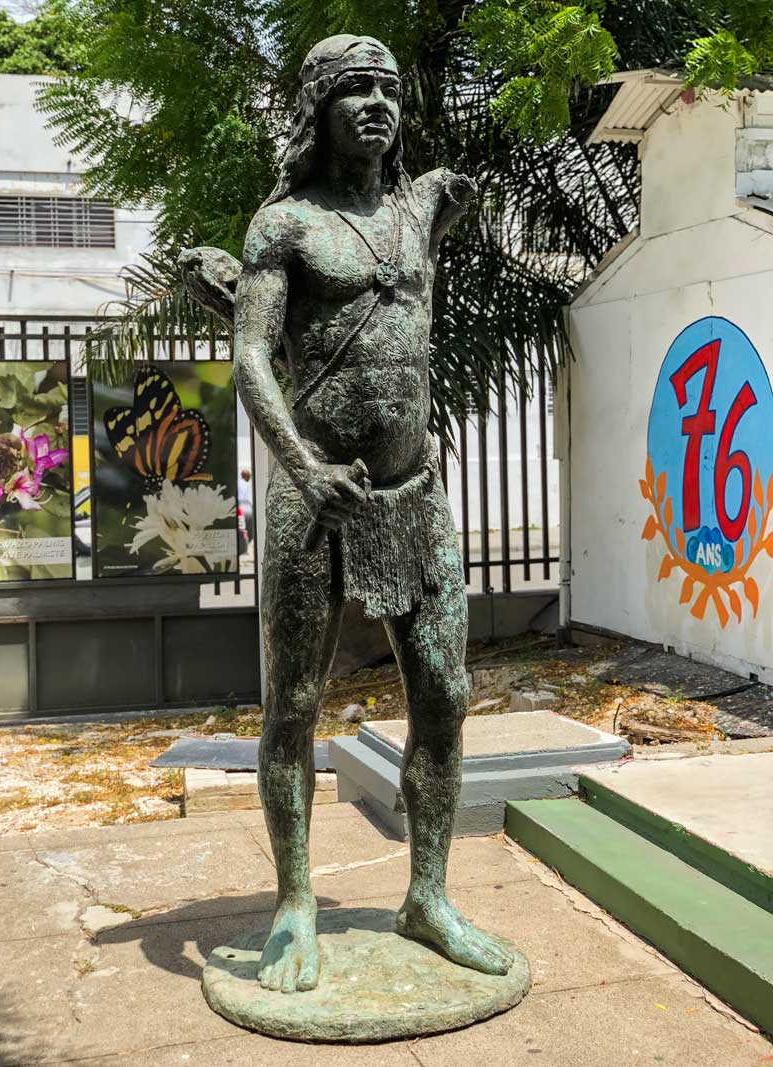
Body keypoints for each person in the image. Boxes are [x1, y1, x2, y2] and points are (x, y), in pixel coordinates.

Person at [234, 34, 513, 994]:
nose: (375, 105)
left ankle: (426, 896)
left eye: (388, 91)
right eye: (352, 90)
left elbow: (455, 189)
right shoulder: (284, 224)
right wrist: (302, 466)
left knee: (443, 695)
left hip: (414, 492)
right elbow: (252, 358)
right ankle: (295, 902)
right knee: (295, 709)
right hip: (316, 499)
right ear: (317, 108)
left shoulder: (423, 202)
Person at [237, 467, 254, 543]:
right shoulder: (249, 484)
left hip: (240, 505)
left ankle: (244, 541)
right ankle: (249, 540)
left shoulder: (238, 483)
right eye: (249, 476)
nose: (250, 477)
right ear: (246, 476)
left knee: (242, 525)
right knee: (250, 525)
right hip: (248, 506)